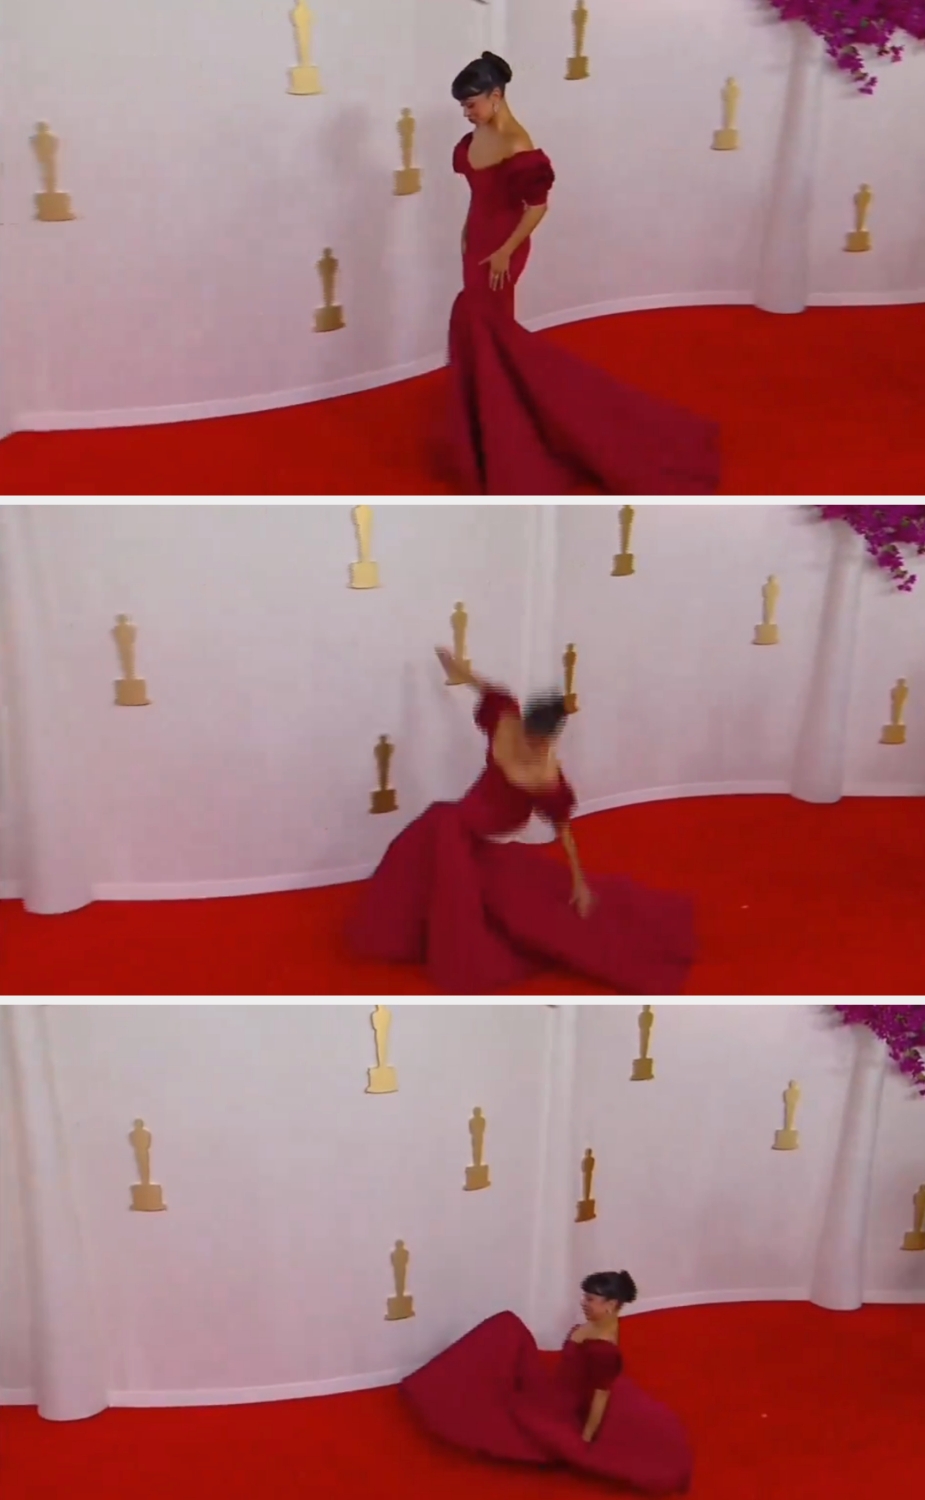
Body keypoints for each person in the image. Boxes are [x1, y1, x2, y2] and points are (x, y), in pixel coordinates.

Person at [443, 50, 721, 496]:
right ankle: (493, 425)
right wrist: (464, 231)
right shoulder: (475, 137)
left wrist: (505, 251)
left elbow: (537, 207)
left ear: (496, 96)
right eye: (463, 106)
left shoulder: (518, 144)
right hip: (476, 240)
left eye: (471, 104)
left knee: (487, 326)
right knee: (481, 331)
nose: (466, 112)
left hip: (502, 247)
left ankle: (529, 426)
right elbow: (478, 196)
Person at [347, 646, 696, 994]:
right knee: (430, 836)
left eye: (538, 742)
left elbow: (563, 826)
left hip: (484, 842)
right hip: (457, 825)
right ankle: (411, 932)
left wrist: (579, 882)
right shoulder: (506, 720)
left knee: (530, 917)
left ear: (550, 739)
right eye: (529, 737)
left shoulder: (545, 776)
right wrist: (459, 670)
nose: (530, 745)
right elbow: (489, 689)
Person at [401, 1270, 693, 1494]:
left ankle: (435, 1395)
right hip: (554, 1384)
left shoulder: (604, 1348)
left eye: (591, 1299)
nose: (584, 1303)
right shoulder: (603, 1322)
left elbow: (601, 1395)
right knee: (506, 1326)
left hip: (560, 1405)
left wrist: (585, 1440)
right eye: (585, 1297)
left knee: (503, 1408)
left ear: (611, 1304)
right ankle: (432, 1381)